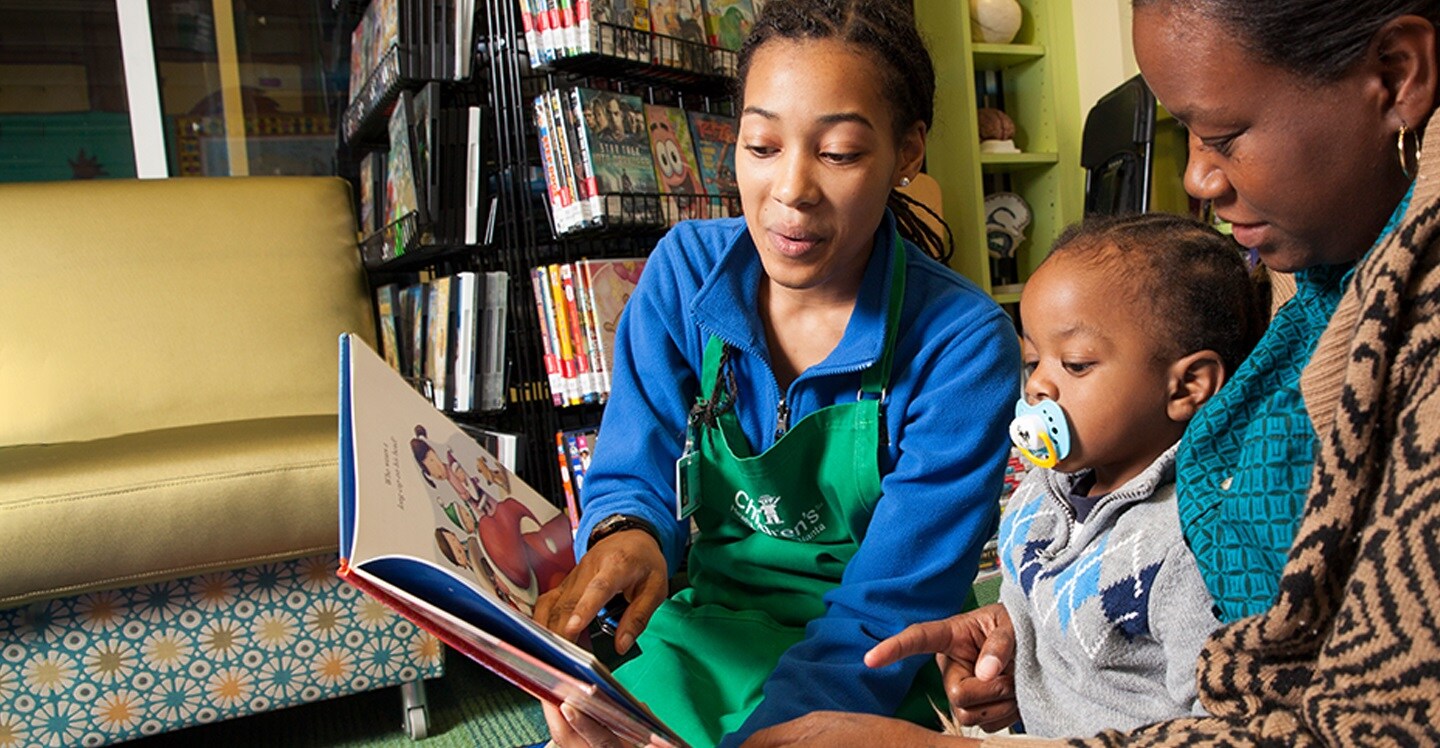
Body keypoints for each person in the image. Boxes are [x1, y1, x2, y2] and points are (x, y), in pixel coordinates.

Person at [743, 0, 1440, 745]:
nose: (1199, 177)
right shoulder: (1316, 264)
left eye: (1225, 136)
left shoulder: (1179, 545)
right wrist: (1035, 643)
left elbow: (1348, 717)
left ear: (1397, 75)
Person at [531, 1, 1021, 746]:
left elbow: (891, 606)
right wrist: (629, 532)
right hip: (703, 632)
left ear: (908, 151)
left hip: (865, 667)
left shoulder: (964, 346)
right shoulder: (684, 276)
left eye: (841, 153)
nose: (790, 189)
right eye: (761, 145)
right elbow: (633, 468)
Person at [995, 213, 1261, 737]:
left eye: (1074, 364)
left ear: (1187, 387)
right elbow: (1021, 605)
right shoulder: (1038, 494)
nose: (1039, 387)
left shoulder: (1184, 546)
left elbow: (1223, 727)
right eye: (1033, 360)